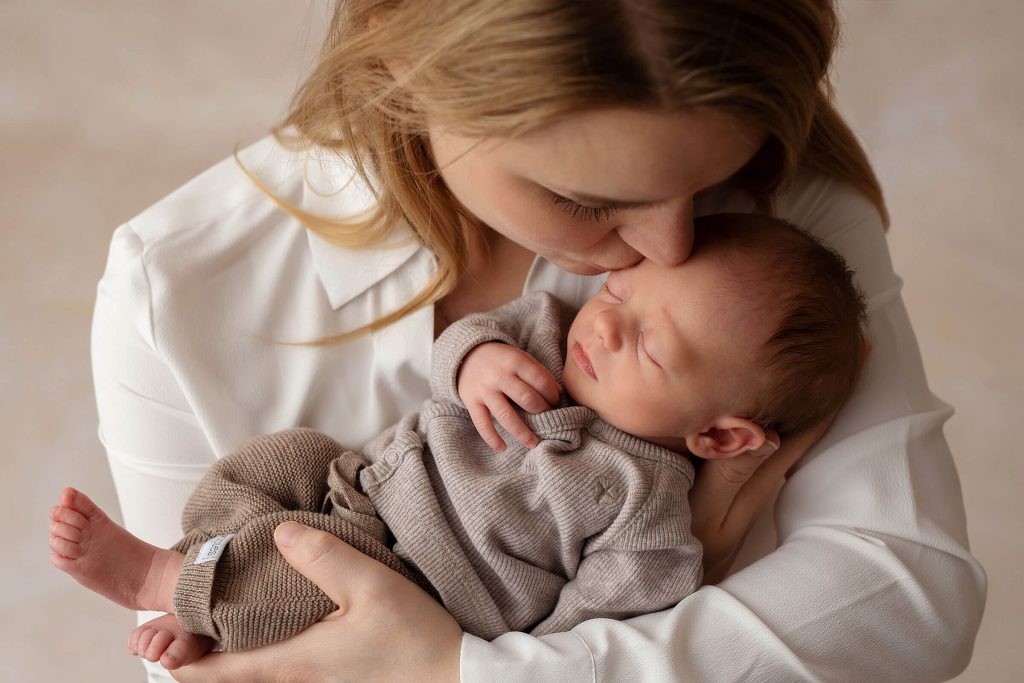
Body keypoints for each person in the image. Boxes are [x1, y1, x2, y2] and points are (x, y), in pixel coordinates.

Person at [84, 1, 985, 681]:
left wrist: (457, 669)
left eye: (709, 182)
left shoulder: (782, 231)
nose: (670, 249)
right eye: (588, 202)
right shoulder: (176, 284)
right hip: (340, 497)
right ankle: (170, 574)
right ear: (410, 65)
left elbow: (907, 601)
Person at [53, 214, 868, 669]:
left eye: (650, 345)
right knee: (273, 459)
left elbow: (593, 629)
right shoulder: (548, 333)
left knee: (299, 571)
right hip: (360, 478)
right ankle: (202, 580)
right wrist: (476, 362)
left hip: (412, 579)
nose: (608, 320)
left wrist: (495, 660)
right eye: (621, 291)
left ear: (720, 433)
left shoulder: (645, 504)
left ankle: (162, 576)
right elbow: (461, 347)